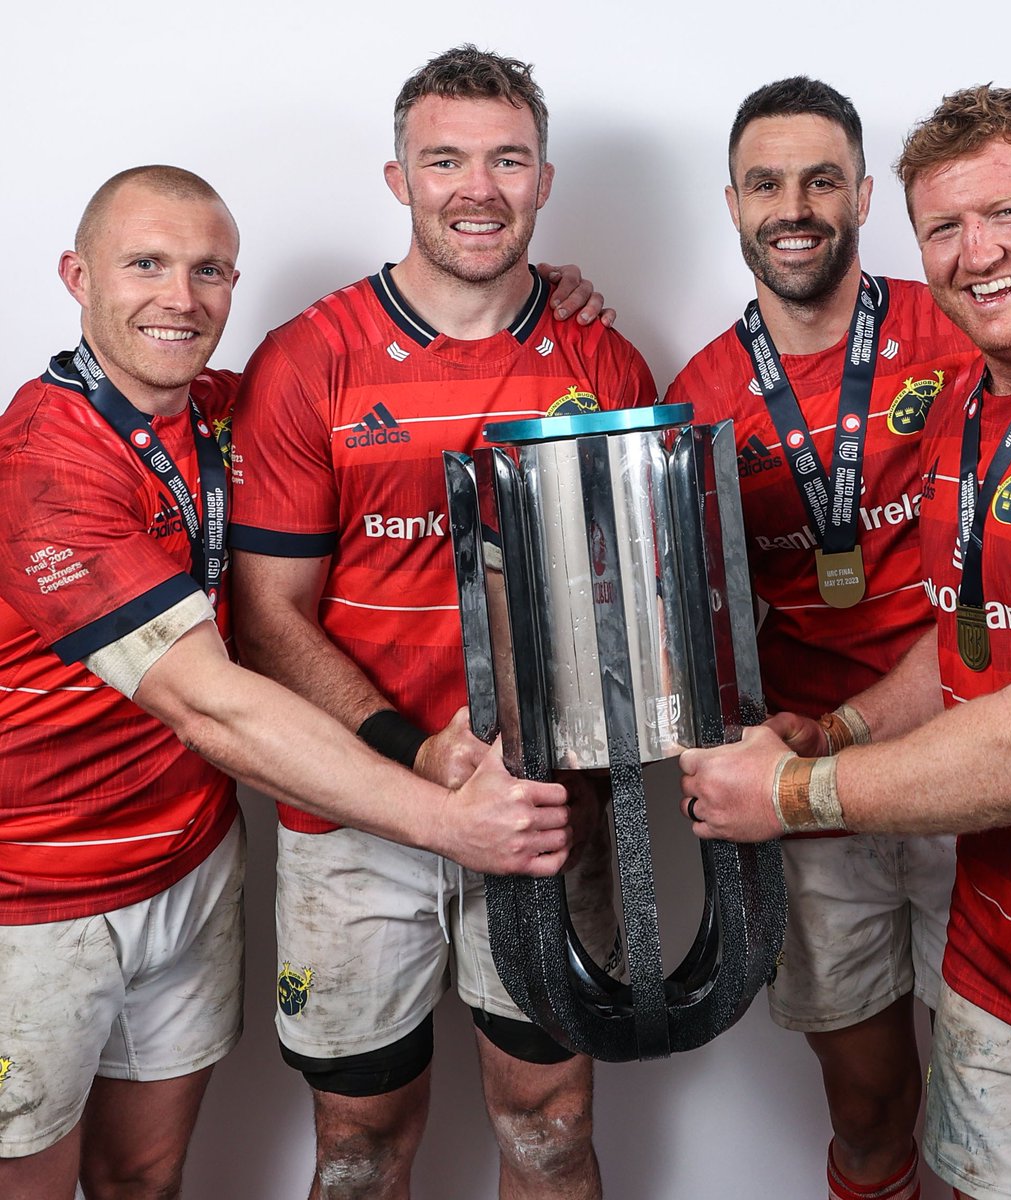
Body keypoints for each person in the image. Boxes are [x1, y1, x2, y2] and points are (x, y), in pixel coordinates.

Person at [0, 166, 602, 1200]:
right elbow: (210, 699)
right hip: (36, 894)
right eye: (145, 264)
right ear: (75, 275)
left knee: (141, 1177)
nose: (179, 300)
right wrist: (444, 815)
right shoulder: (45, 465)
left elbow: (362, 393)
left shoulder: (220, 411)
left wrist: (505, 293)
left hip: (188, 865)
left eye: (209, 271)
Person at [665, 77, 1011, 1200]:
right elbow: (962, 639)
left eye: (1008, 214)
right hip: (1007, 964)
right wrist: (838, 732)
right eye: (947, 227)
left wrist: (793, 796)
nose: (978, 252)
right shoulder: (974, 402)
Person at [229, 46, 656, 1200]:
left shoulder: (604, 362)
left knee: (550, 1130)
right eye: (446, 159)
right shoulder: (307, 361)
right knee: (358, 1147)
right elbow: (267, 618)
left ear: (545, 180)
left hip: (541, 809)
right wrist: (416, 754)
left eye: (507, 158)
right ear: (397, 176)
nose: (478, 186)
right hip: (352, 818)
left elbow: (640, 605)